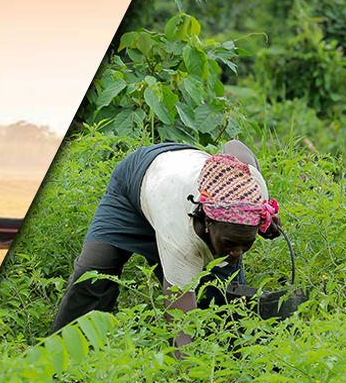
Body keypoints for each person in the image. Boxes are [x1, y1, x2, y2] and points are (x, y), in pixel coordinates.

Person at [48, 140, 283, 350]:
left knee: (219, 301)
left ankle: (236, 366)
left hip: (181, 180)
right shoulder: (182, 236)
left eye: (246, 244)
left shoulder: (251, 189)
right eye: (230, 244)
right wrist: (189, 380)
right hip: (137, 182)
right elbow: (179, 322)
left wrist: (262, 221)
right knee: (93, 272)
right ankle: (61, 361)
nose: (236, 253)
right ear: (209, 222)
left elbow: (234, 146)